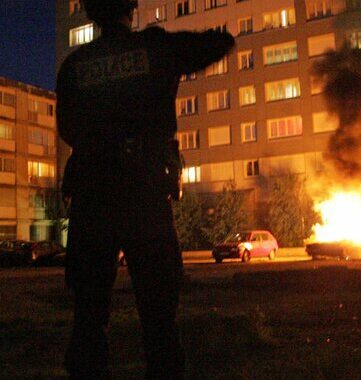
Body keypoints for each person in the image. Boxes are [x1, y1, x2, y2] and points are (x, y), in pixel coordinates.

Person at [55, 0, 234, 378]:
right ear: (132, 9)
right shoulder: (155, 49)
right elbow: (217, 46)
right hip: (144, 194)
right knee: (159, 316)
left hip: (93, 196)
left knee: (88, 317)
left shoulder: (74, 66)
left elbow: (68, 130)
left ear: (90, 12)